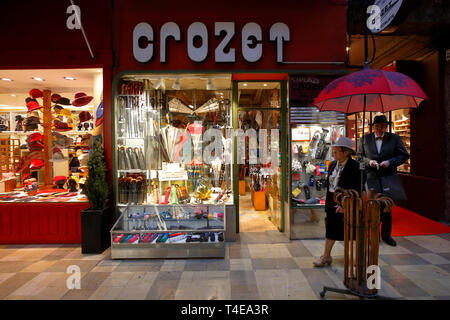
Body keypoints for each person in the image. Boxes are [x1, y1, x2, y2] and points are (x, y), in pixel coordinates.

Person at [357, 114, 409, 247]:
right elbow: (359, 157)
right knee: (374, 206)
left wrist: (390, 162)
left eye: (383, 126)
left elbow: (404, 155)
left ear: (387, 127)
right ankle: (374, 234)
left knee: (387, 207)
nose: (380, 129)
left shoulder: (394, 138)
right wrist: (370, 162)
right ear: (373, 126)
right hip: (371, 178)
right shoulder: (364, 139)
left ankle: (387, 236)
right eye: (377, 126)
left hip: (388, 178)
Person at [313, 137, 362, 267]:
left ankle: (357, 261)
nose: (333, 153)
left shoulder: (355, 167)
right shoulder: (333, 164)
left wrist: (346, 207)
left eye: (336, 151)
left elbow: (358, 189)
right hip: (331, 201)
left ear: (346, 152)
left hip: (346, 203)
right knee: (331, 229)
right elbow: (331, 185)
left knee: (351, 232)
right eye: (333, 151)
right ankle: (326, 256)